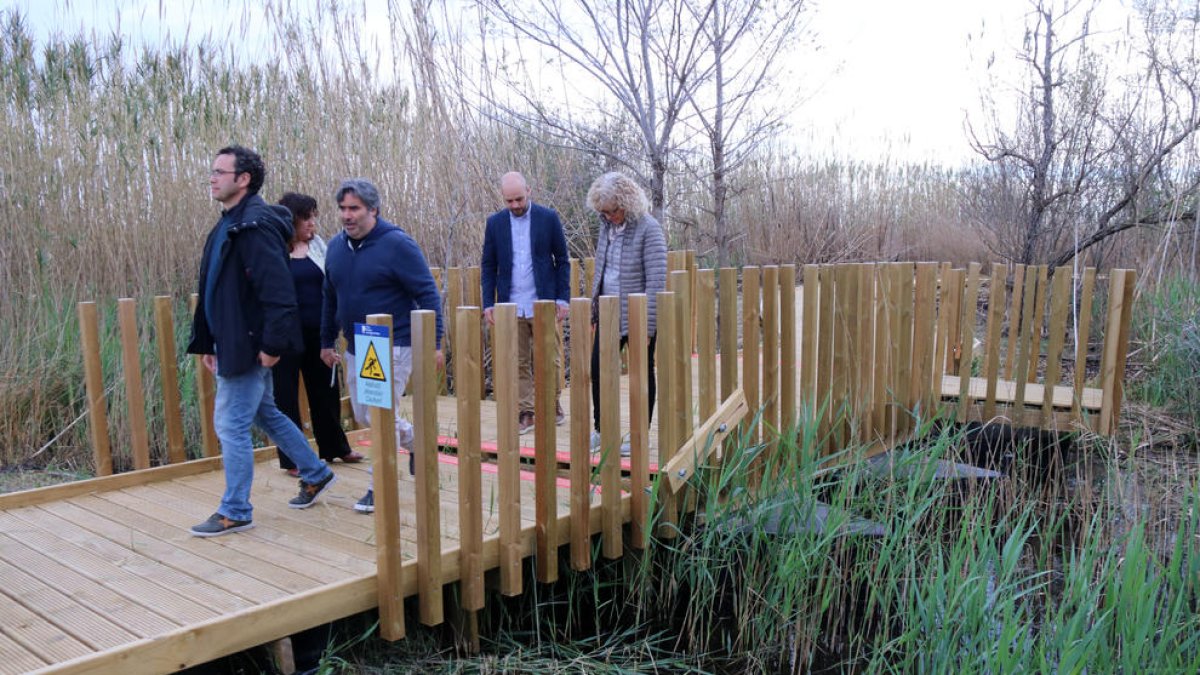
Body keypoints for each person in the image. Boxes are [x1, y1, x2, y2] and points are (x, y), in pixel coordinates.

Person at [187, 145, 337, 537]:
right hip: (233, 341)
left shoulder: (254, 226)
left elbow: (280, 294)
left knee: (230, 425)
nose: (212, 178)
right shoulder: (229, 224)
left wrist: (271, 347)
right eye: (212, 171)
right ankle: (315, 472)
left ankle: (236, 509)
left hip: (249, 344)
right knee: (265, 413)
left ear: (243, 179)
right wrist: (206, 341)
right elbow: (213, 287)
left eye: (220, 172)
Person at [320, 178, 443, 514]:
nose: (347, 215)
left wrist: (434, 342)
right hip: (356, 344)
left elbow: (428, 293)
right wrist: (326, 341)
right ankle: (418, 442)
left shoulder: (397, 244)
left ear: (373, 209)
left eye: (354, 208)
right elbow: (330, 297)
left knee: (380, 414)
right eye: (343, 208)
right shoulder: (335, 247)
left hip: (394, 343)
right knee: (365, 414)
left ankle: (381, 487)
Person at [271, 192, 363, 477]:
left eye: (313, 217)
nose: (312, 223)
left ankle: (335, 447)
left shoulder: (319, 246)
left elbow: (332, 284)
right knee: (285, 397)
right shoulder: (274, 250)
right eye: (306, 218)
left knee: (326, 390)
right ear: (291, 221)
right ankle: (293, 459)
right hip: (285, 336)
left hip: (318, 332)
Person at [481, 171, 571, 434]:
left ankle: (552, 404)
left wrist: (562, 298)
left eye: (519, 199)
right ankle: (527, 412)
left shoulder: (548, 218)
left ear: (529, 191)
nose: (515, 205)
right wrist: (489, 303)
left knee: (549, 357)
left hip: (543, 302)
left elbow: (562, 260)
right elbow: (488, 265)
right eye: (509, 201)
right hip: (511, 304)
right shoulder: (495, 223)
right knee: (518, 360)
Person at [587, 172, 667, 455]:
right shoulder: (606, 226)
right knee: (598, 369)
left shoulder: (649, 228)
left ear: (627, 203)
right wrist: (594, 312)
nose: (610, 217)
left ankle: (639, 435)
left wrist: (647, 326)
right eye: (604, 212)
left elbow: (656, 280)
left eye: (614, 211)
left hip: (637, 314)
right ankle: (602, 430)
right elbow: (602, 270)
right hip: (608, 311)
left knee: (641, 374)